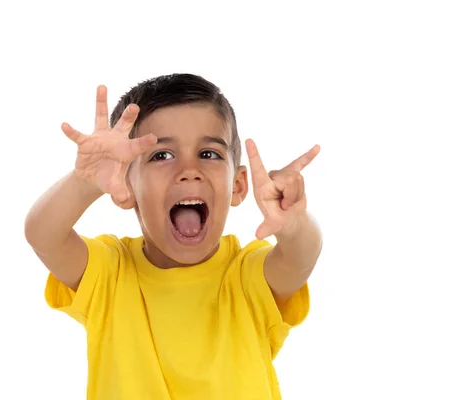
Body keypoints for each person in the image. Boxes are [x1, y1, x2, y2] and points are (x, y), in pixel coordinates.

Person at [24, 73, 322, 400]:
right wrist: (85, 182)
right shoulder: (110, 273)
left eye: (208, 154)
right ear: (125, 184)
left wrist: (293, 224)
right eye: (162, 155)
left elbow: (300, 257)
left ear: (237, 185)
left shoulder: (246, 276)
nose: (188, 170)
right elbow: (44, 235)